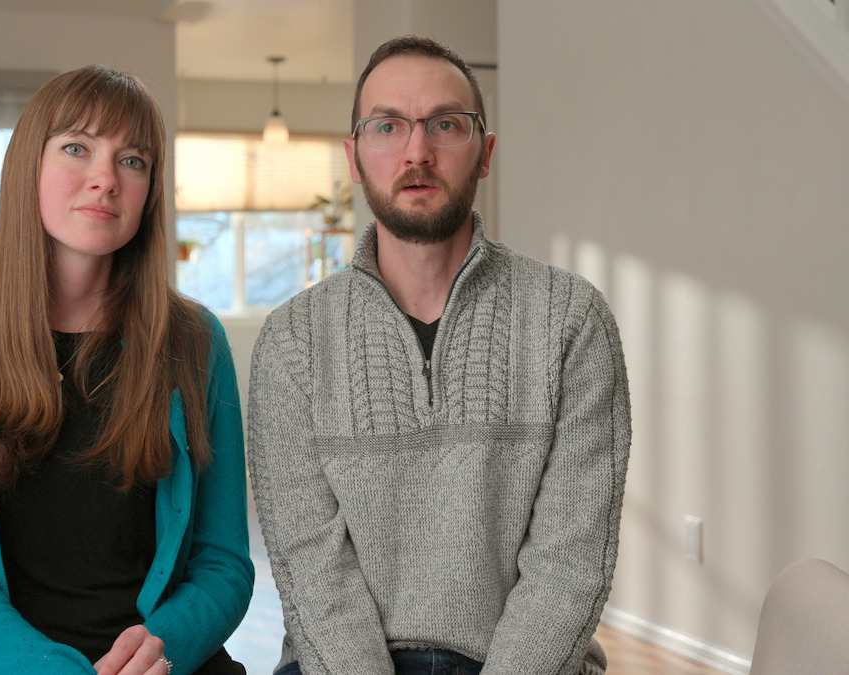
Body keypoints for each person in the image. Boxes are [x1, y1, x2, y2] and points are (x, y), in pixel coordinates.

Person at [247, 36, 631, 675]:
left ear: (485, 153)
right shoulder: (293, 340)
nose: (417, 151)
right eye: (387, 126)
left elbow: (570, 566)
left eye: (446, 125)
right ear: (355, 156)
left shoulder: (571, 318)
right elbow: (310, 569)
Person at [0, 65, 253, 675]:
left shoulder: (194, 340)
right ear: (28, 165)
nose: (105, 179)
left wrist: (164, 647)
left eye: (133, 161)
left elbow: (224, 561)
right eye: (77, 148)